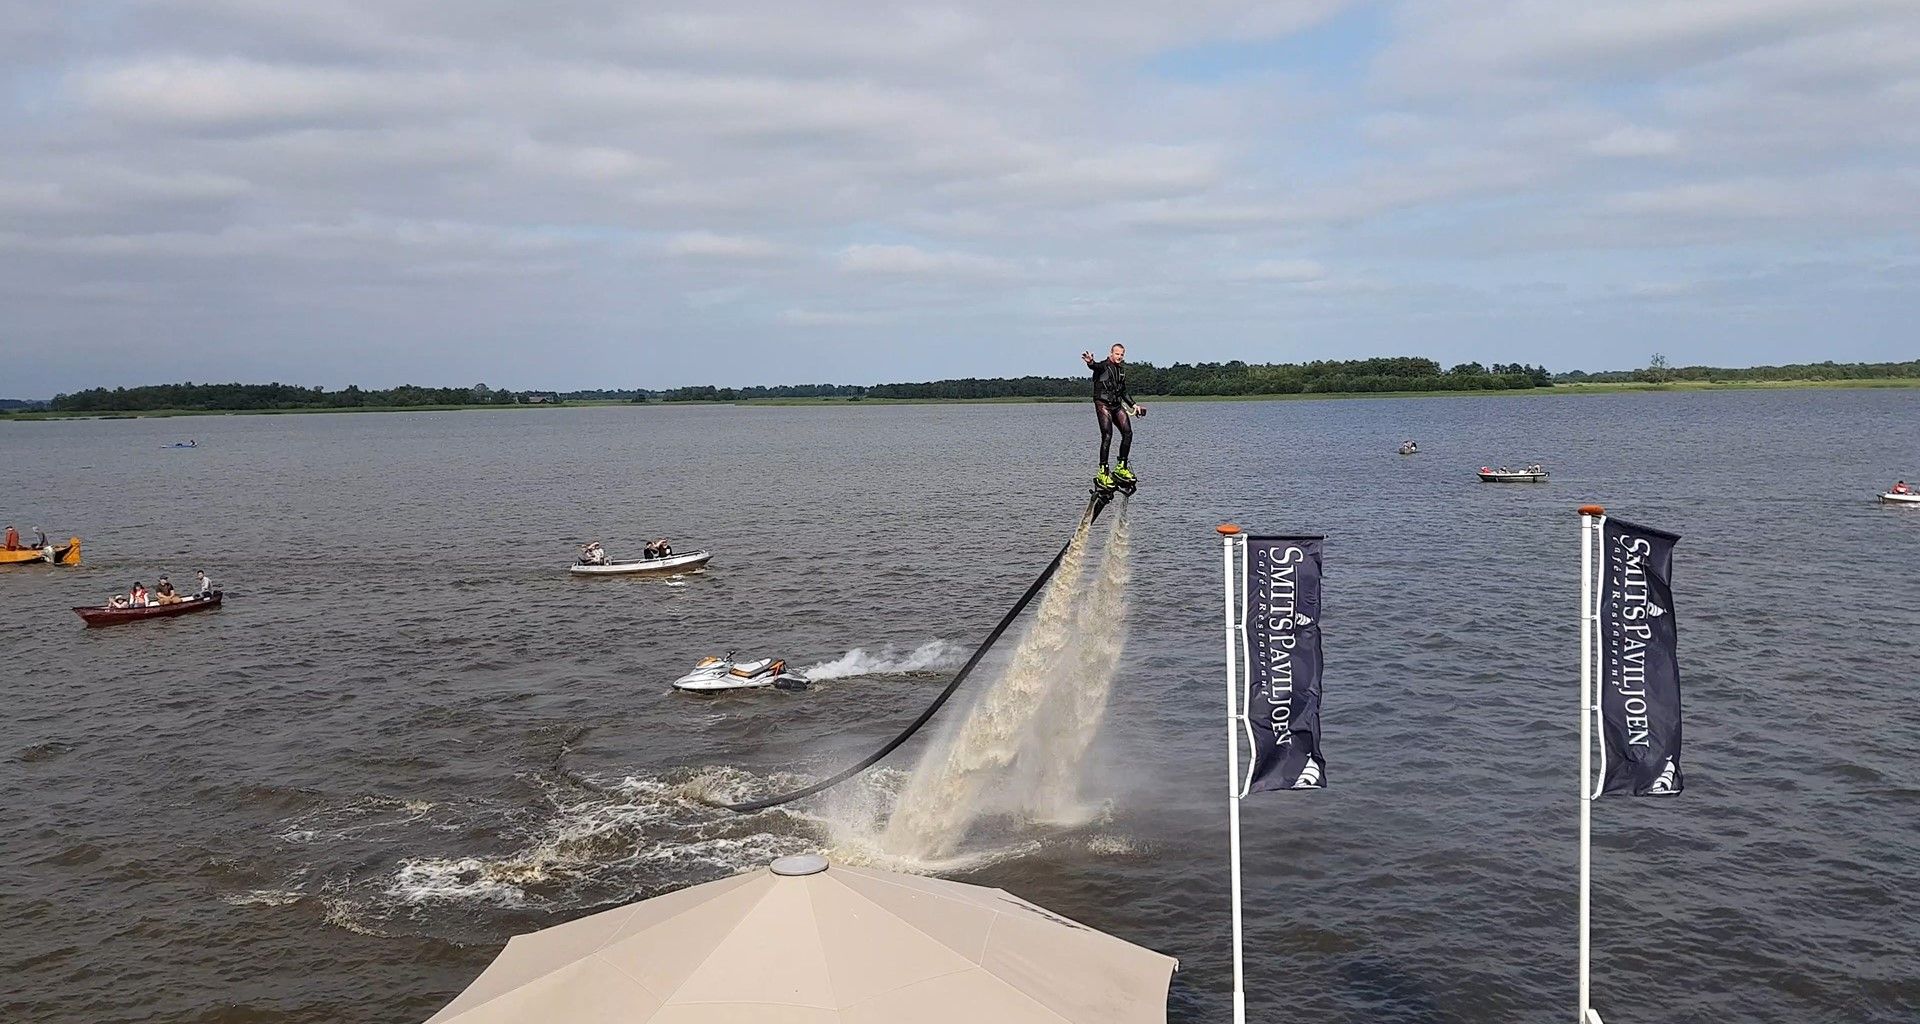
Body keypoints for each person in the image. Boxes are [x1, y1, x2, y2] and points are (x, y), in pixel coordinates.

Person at [1081, 344, 1146, 490]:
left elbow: (1123, 391)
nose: (1119, 357)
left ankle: (1121, 467)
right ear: (1111, 353)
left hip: (1116, 405)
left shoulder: (1121, 372)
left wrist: (1134, 405)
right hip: (1103, 404)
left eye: (1122, 354)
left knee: (1128, 433)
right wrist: (1090, 362)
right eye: (1117, 354)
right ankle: (1103, 472)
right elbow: (1094, 367)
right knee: (1107, 435)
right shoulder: (1103, 366)